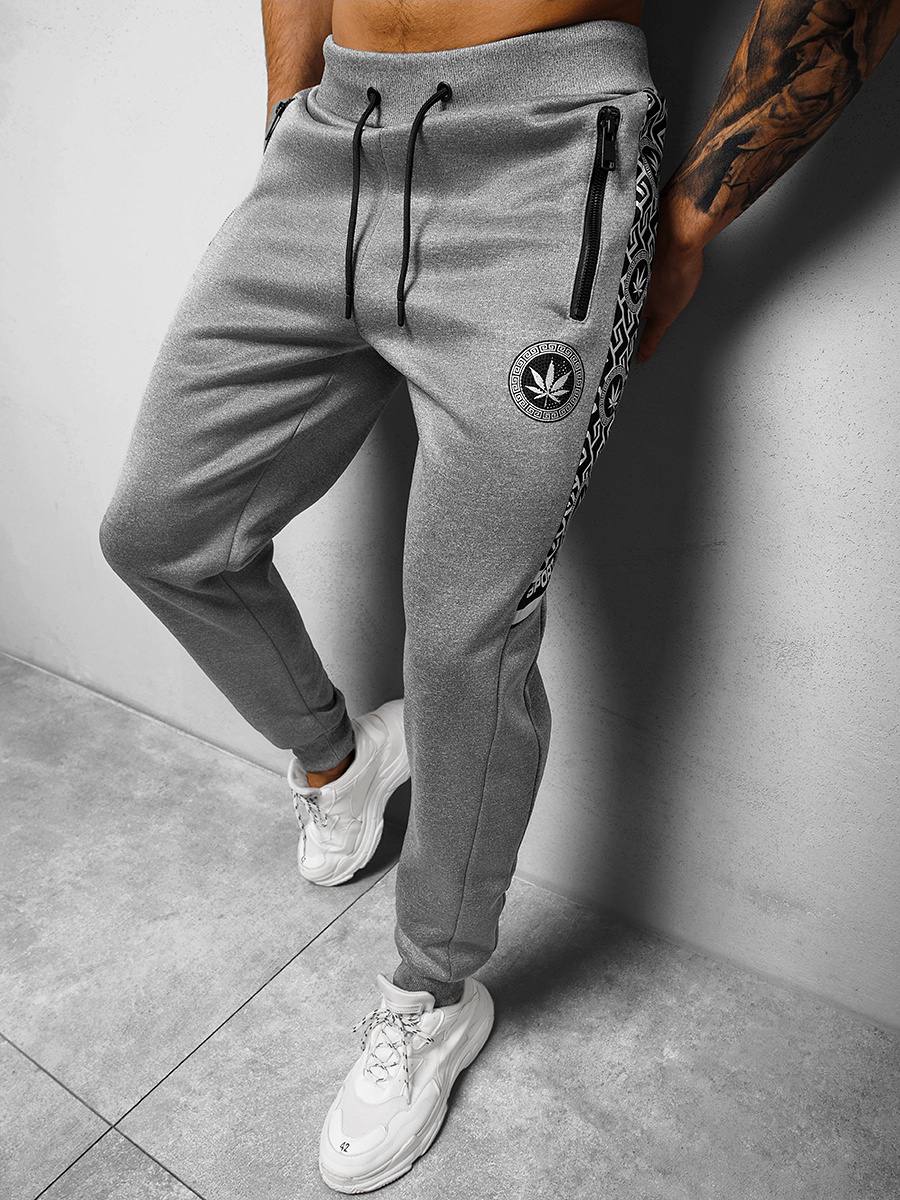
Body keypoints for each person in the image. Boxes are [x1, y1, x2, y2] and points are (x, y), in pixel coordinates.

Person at [99, 0, 899, 1191]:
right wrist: (286, 123)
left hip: (549, 160)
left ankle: (432, 995)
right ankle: (341, 759)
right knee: (162, 533)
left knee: (463, 642)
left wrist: (686, 217)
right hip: (329, 141)